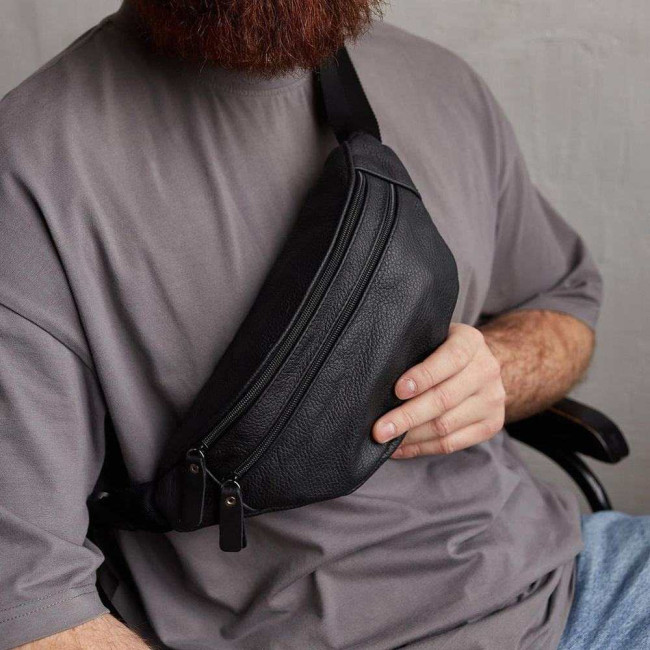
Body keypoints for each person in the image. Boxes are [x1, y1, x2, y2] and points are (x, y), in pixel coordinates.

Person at [1, 1, 648, 649]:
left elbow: (562, 304)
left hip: (575, 586)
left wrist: (501, 369)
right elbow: (33, 604)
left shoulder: (438, 80)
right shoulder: (33, 167)